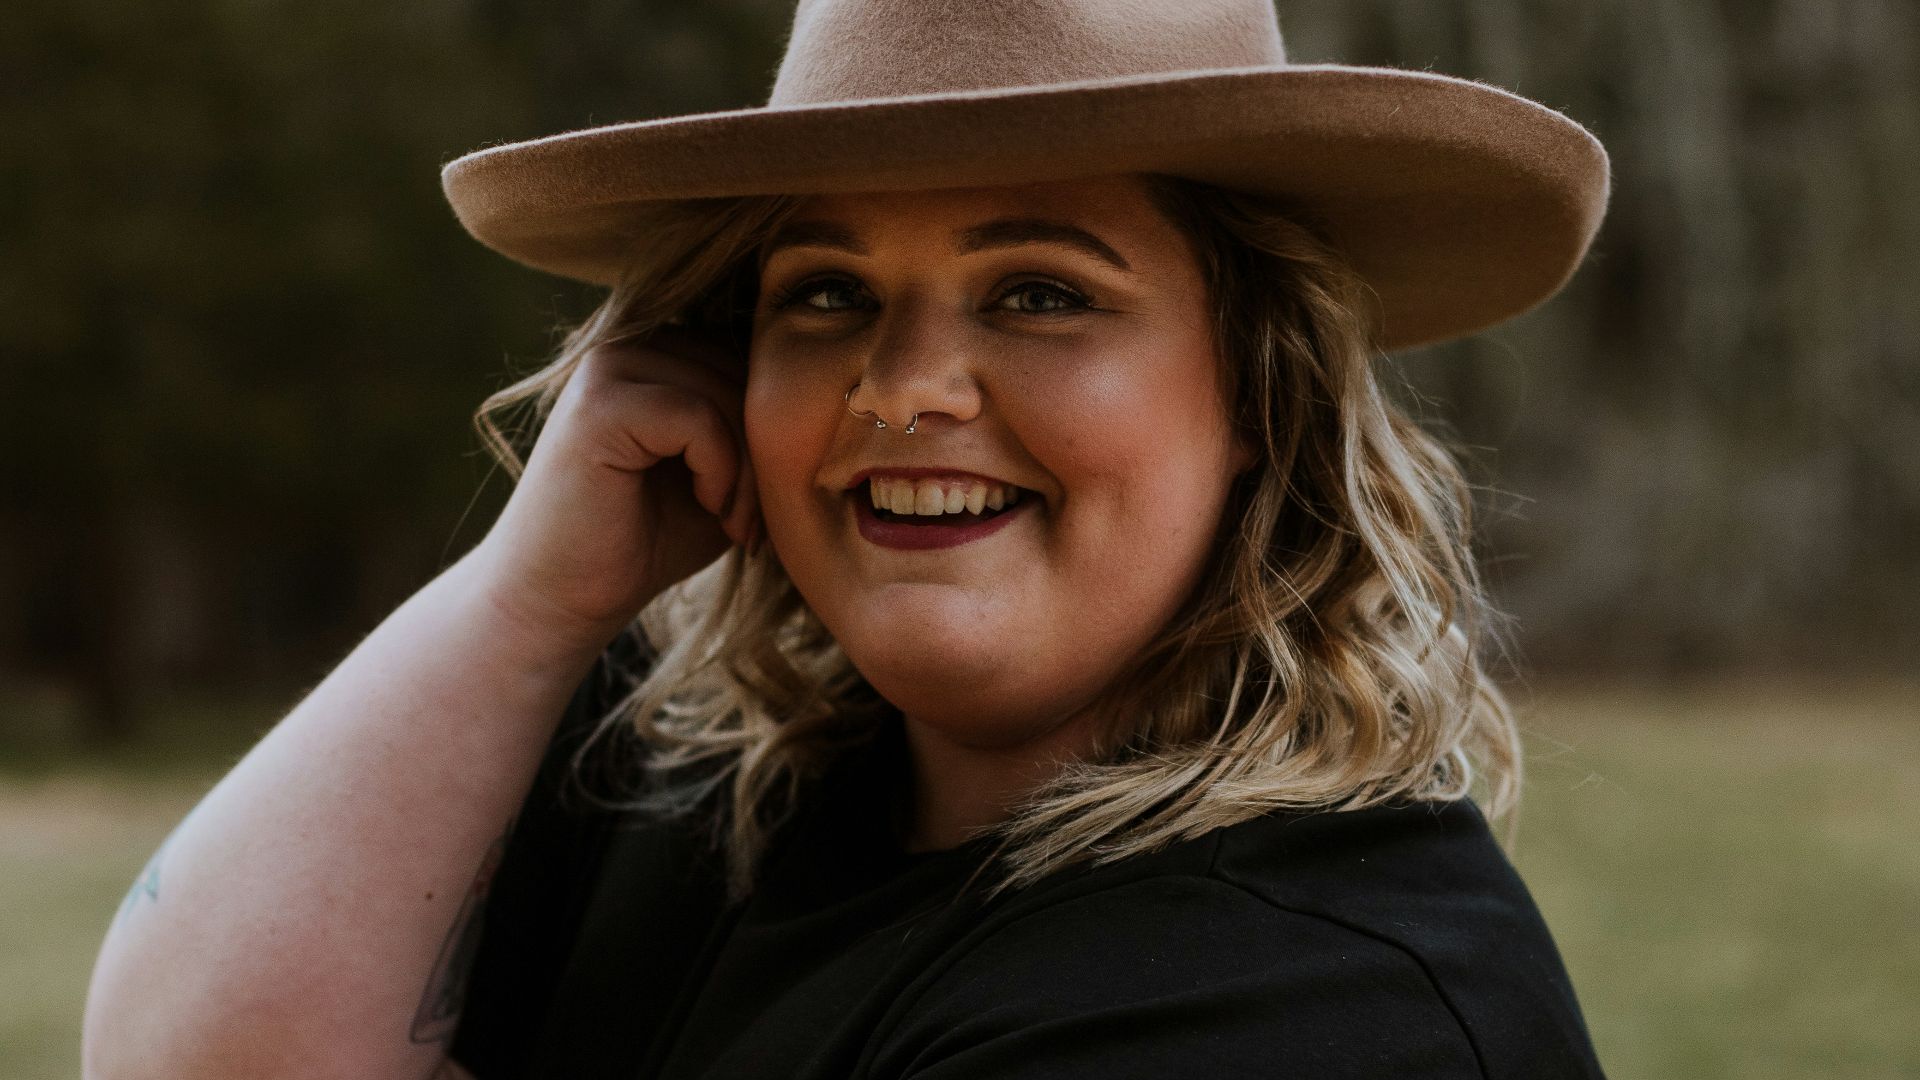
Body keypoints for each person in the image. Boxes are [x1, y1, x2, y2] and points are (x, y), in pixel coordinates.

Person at [82, 1, 1612, 1077]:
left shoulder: (1309, 1006)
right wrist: (524, 602)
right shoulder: (672, 777)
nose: (902, 385)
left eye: (1041, 291)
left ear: (1262, 398)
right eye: (826, 294)